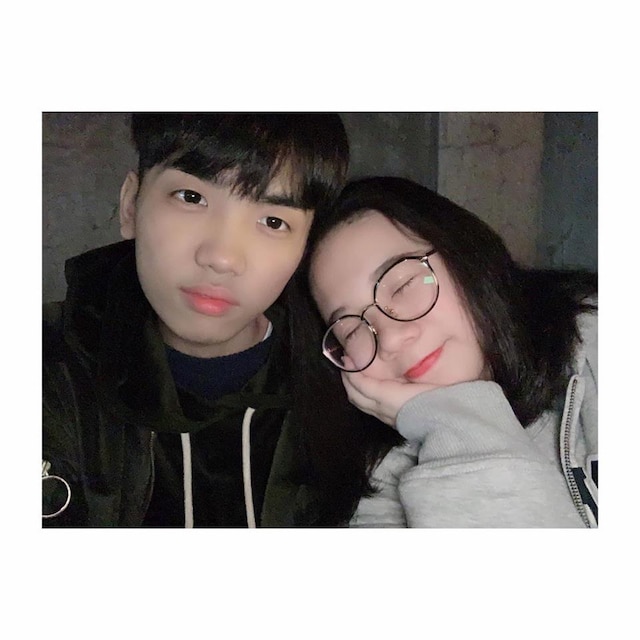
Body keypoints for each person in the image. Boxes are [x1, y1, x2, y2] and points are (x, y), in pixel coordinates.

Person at [42, 112, 355, 527]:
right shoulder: (47, 367)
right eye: (191, 197)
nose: (222, 257)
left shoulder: (351, 383)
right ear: (131, 205)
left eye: (273, 221)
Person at [292, 176, 597, 527]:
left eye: (403, 285)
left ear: (467, 256)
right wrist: (454, 421)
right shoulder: (375, 497)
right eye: (351, 329)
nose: (390, 339)